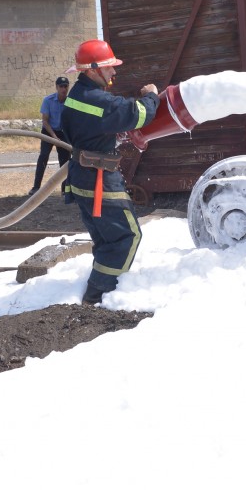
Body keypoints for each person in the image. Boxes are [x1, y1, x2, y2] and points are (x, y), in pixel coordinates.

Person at [60, 39, 161, 305]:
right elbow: (138, 113)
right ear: (92, 70)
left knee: (106, 238)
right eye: (109, 68)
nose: (114, 72)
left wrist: (112, 137)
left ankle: (99, 291)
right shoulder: (97, 100)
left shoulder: (76, 96)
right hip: (99, 181)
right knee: (126, 236)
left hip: (83, 176)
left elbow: (90, 127)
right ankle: (99, 294)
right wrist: (152, 95)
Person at [28, 76, 72, 196]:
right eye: (61, 86)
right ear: (56, 87)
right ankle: (36, 187)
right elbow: (45, 121)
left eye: (65, 86)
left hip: (62, 133)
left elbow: (72, 121)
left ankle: (65, 190)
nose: (63, 89)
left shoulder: (70, 102)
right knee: (43, 156)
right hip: (48, 131)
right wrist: (53, 136)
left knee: (65, 160)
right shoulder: (48, 100)